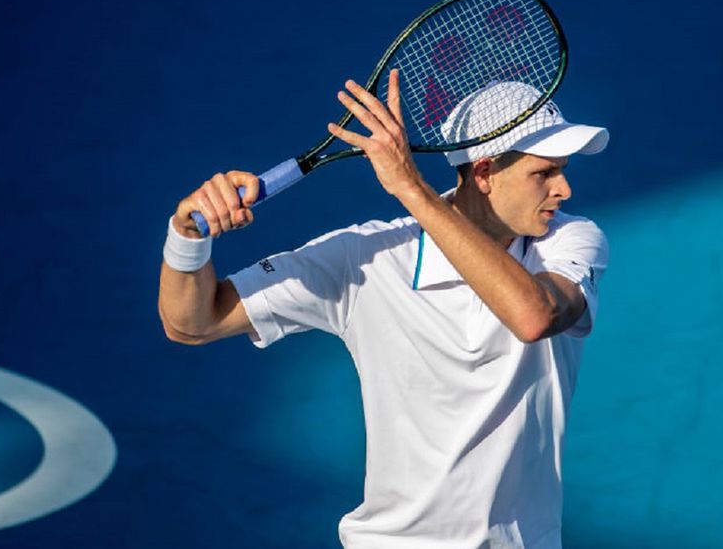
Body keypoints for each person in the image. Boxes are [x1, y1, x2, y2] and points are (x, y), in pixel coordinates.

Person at [158, 69, 609, 548]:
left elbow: (534, 316)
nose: (564, 190)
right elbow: (192, 323)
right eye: (544, 173)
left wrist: (411, 188)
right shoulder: (363, 257)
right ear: (484, 173)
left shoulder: (571, 239)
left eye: (562, 170)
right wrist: (187, 238)